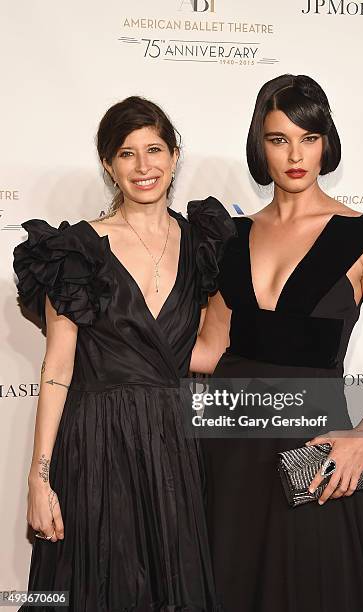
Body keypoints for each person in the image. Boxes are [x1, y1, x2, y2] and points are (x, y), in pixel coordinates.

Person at [190, 75, 363, 611]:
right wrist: (112, 333)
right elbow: (208, 349)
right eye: (278, 139)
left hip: (311, 453)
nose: (295, 154)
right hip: (226, 448)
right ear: (260, 146)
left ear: (326, 142)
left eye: (308, 137)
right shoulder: (231, 236)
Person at [13, 95, 236, 611]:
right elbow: (57, 369)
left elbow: (202, 353)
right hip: (97, 444)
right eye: (127, 153)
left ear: (175, 156)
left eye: (154, 149)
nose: (143, 166)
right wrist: (39, 477)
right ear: (109, 165)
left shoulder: (202, 242)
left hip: (176, 446)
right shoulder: (78, 249)